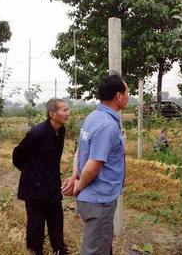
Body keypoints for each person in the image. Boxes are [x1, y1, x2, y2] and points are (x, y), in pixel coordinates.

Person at [62, 74, 129, 255]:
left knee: (102, 245)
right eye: (127, 91)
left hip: (92, 197)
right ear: (118, 96)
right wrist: (78, 186)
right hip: (99, 200)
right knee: (95, 250)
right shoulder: (108, 125)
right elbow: (93, 164)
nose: (129, 95)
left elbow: (81, 150)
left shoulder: (93, 117)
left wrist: (75, 176)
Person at [12, 98, 70, 255]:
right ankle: (34, 251)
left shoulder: (61, 130)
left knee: (56, 220)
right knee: (36, 225)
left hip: (52, 184)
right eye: (64, 110)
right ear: (52, 114)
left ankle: (59, 250)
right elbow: (17, 156)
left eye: (67, 109)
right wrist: (34, 174)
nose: (68, 113)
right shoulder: (36, 133)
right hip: (34, 187)